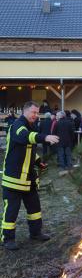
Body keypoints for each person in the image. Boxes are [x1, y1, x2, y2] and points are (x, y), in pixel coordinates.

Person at [1, 101, 59, 250]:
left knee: (35, 209)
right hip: (14, 180)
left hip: (29, 180)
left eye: (37, 112)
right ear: (25, 111)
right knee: (11, 211)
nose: (35, 115)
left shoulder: (30, 126)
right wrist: (44, 137)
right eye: (33, 112)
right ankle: (8, 239)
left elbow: (29, 152)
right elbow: (25, 137)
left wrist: (39, 162)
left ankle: (36, 233)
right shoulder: (17, 126)